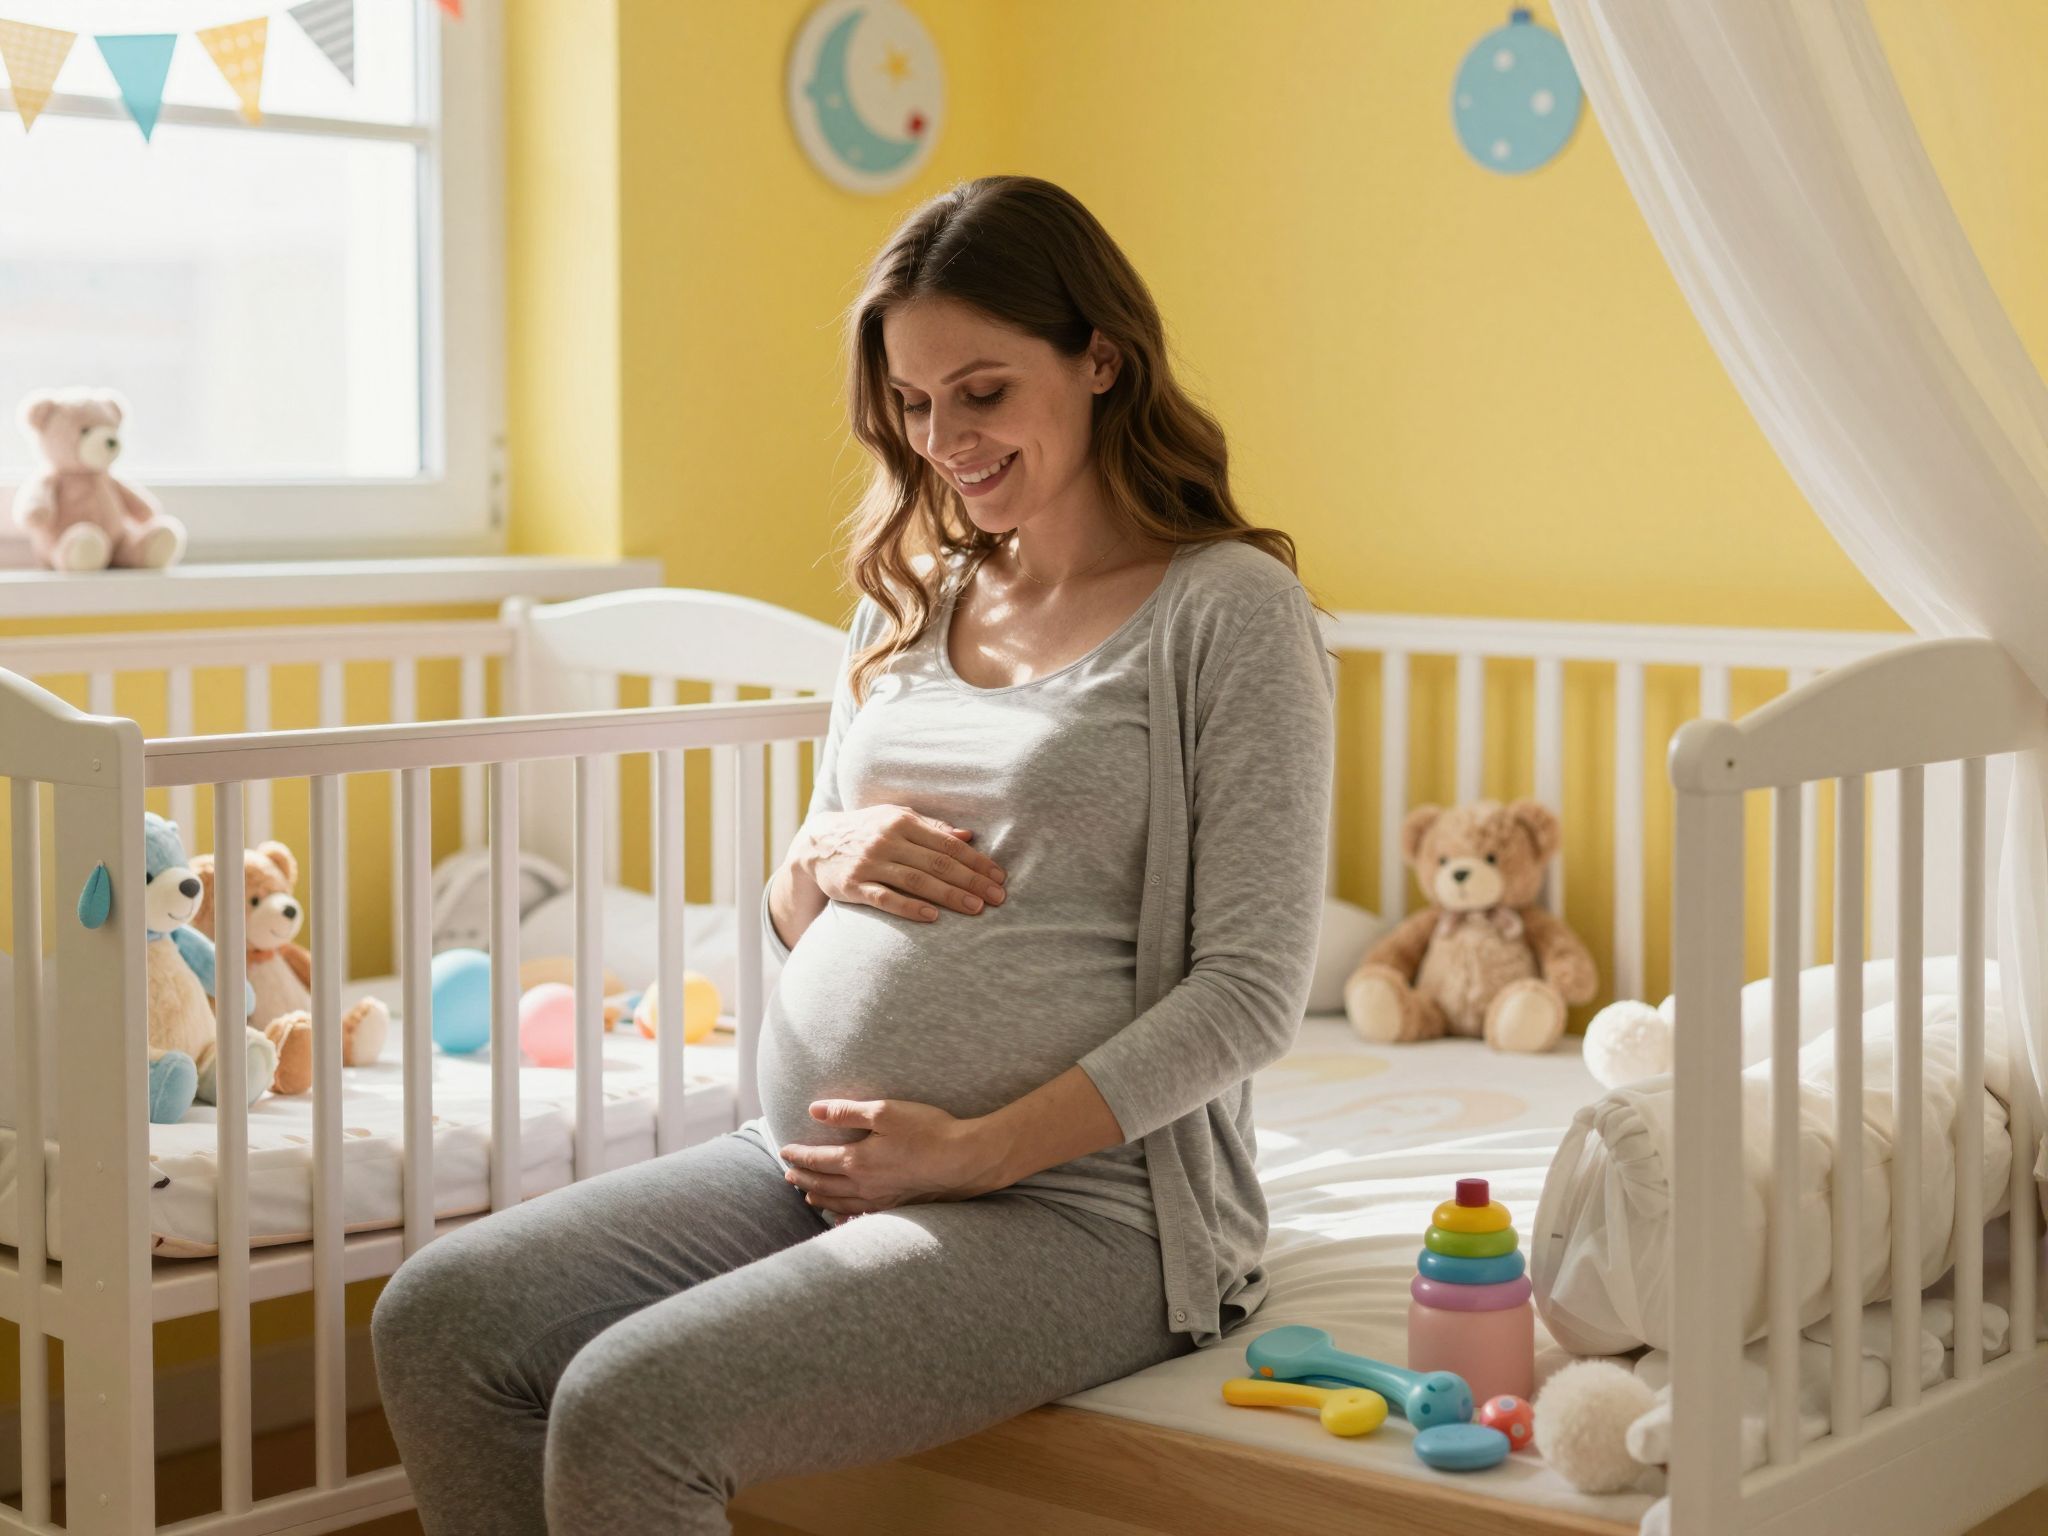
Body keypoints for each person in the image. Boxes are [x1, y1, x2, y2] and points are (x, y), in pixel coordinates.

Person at [371, 174, 1336, 1535]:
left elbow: (1248, 994)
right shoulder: (916, 598)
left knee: (627, 1409)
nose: (945, 437)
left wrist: (973, 1153)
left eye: (984, 392)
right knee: (442, 1317)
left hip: (1083, 1212)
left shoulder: (1228, 613)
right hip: (808, 1159)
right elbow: (790, 921)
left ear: (1101, 359)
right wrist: (820, 852)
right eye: (914, 402)